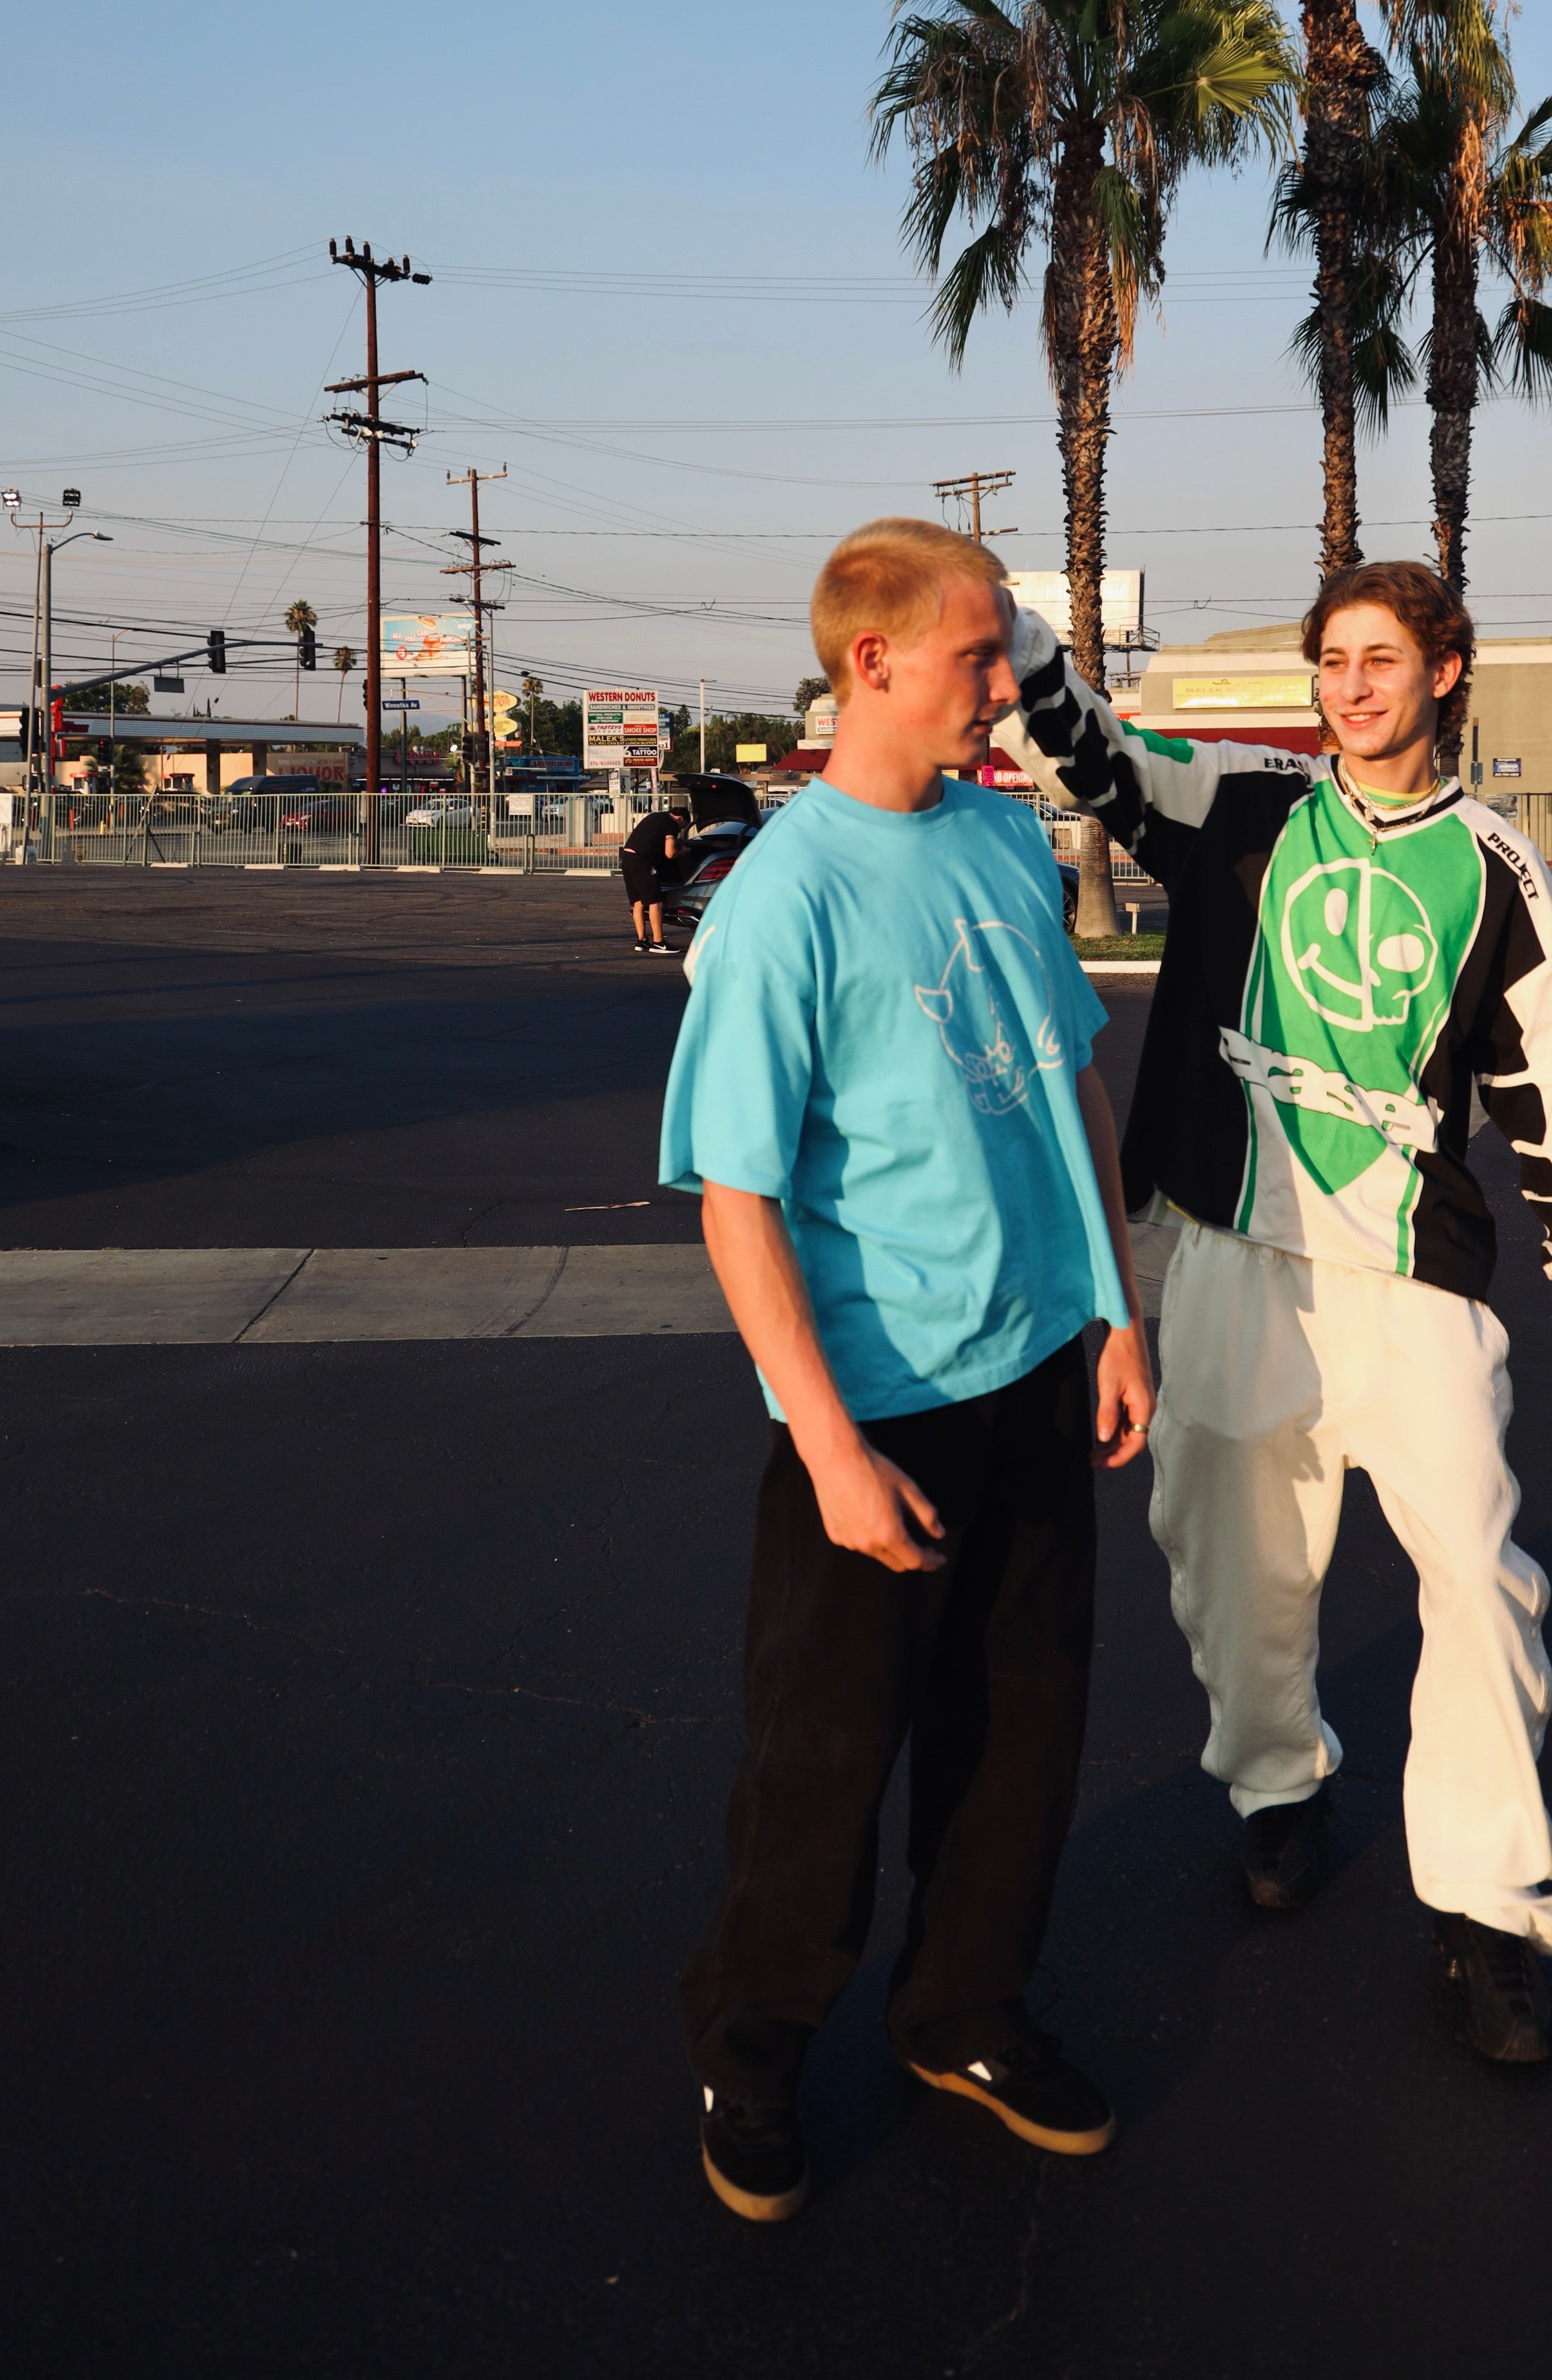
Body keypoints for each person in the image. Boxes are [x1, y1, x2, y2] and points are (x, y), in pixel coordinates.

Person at [996, 560, 1552, 2066]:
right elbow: (1095, 750)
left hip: (1412, 1279)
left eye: (1383, 660)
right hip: (1226, 1254)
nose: (1352, 688)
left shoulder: (1497, 867)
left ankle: (1488, 1906)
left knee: (1476, 1576)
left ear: (1446, 672)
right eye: (1333, 662)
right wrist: (1013, 637)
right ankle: (1280, 1783)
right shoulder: (1244, 812)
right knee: (1231, 1555)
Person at [660, 517, 1154, 2222]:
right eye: (976, 659)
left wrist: (1116, 1310)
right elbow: (735, 1203)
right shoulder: (781, 901)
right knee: (826, 1749)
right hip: (871, 1409)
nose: (1007, 690)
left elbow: (1069, 1074)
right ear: (870, 663)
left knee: (1020, 1729)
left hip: (1035, 1369)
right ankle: (756, 2043)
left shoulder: (1007, 845)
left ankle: (961, 2012)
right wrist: (827, 1448)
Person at [621, 798, 681, 952]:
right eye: (683, 826)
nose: (681, 830)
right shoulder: (672, 824)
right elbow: (670, 853)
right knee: (656, 902)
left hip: (627, 857)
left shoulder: (655, 816)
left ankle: (642, 941)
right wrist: (684, 851)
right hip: (642, 860)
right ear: (681, 819)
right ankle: (659, 943)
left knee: (638, 901)